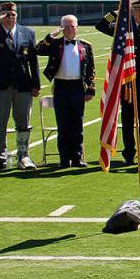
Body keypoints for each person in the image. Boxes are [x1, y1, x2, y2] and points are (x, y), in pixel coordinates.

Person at [96, 0, 140, 166]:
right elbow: (101, 25)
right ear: (132, 11)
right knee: (128, 118)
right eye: (138, 10)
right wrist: (117, 12)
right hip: (128, 80)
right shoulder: (123, 28)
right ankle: (129, 154)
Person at [0, 2, 40, 170]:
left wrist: (36, 83)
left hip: (22, 85)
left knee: (23, 122)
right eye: (6, 14)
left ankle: (23, 156)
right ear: (0, 15)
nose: (9, 17)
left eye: (12, 14)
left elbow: (33, 60)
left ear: (17, 15)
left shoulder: (27, 33)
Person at [36, 15, 95, 169]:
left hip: (77, 87)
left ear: (77, 27)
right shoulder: (55, 44)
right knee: (63, 125)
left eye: (72, 26)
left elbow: (90, 70)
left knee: (77, 125)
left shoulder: (85, 46)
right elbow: (38, 49)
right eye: (66, 27)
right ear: (62, 28)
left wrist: (91, 89)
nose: (69, 29)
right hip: (61, 87)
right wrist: (51, 36)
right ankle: (64, 159)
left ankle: (77, 157)